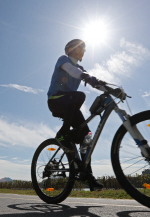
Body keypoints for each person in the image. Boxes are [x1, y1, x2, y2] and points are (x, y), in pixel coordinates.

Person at [47, 39, 105, 189]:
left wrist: (109, 90)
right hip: (56, 100)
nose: (84, 50)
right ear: (72, 50)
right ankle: (62, 133)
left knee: (86, 135)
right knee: (79, 96)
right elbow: (73, 72)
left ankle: (86, 175)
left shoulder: (80, 67)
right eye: (82, 47)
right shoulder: (63, 59)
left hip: (70, 105)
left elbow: (89, 79)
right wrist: (86, 77)